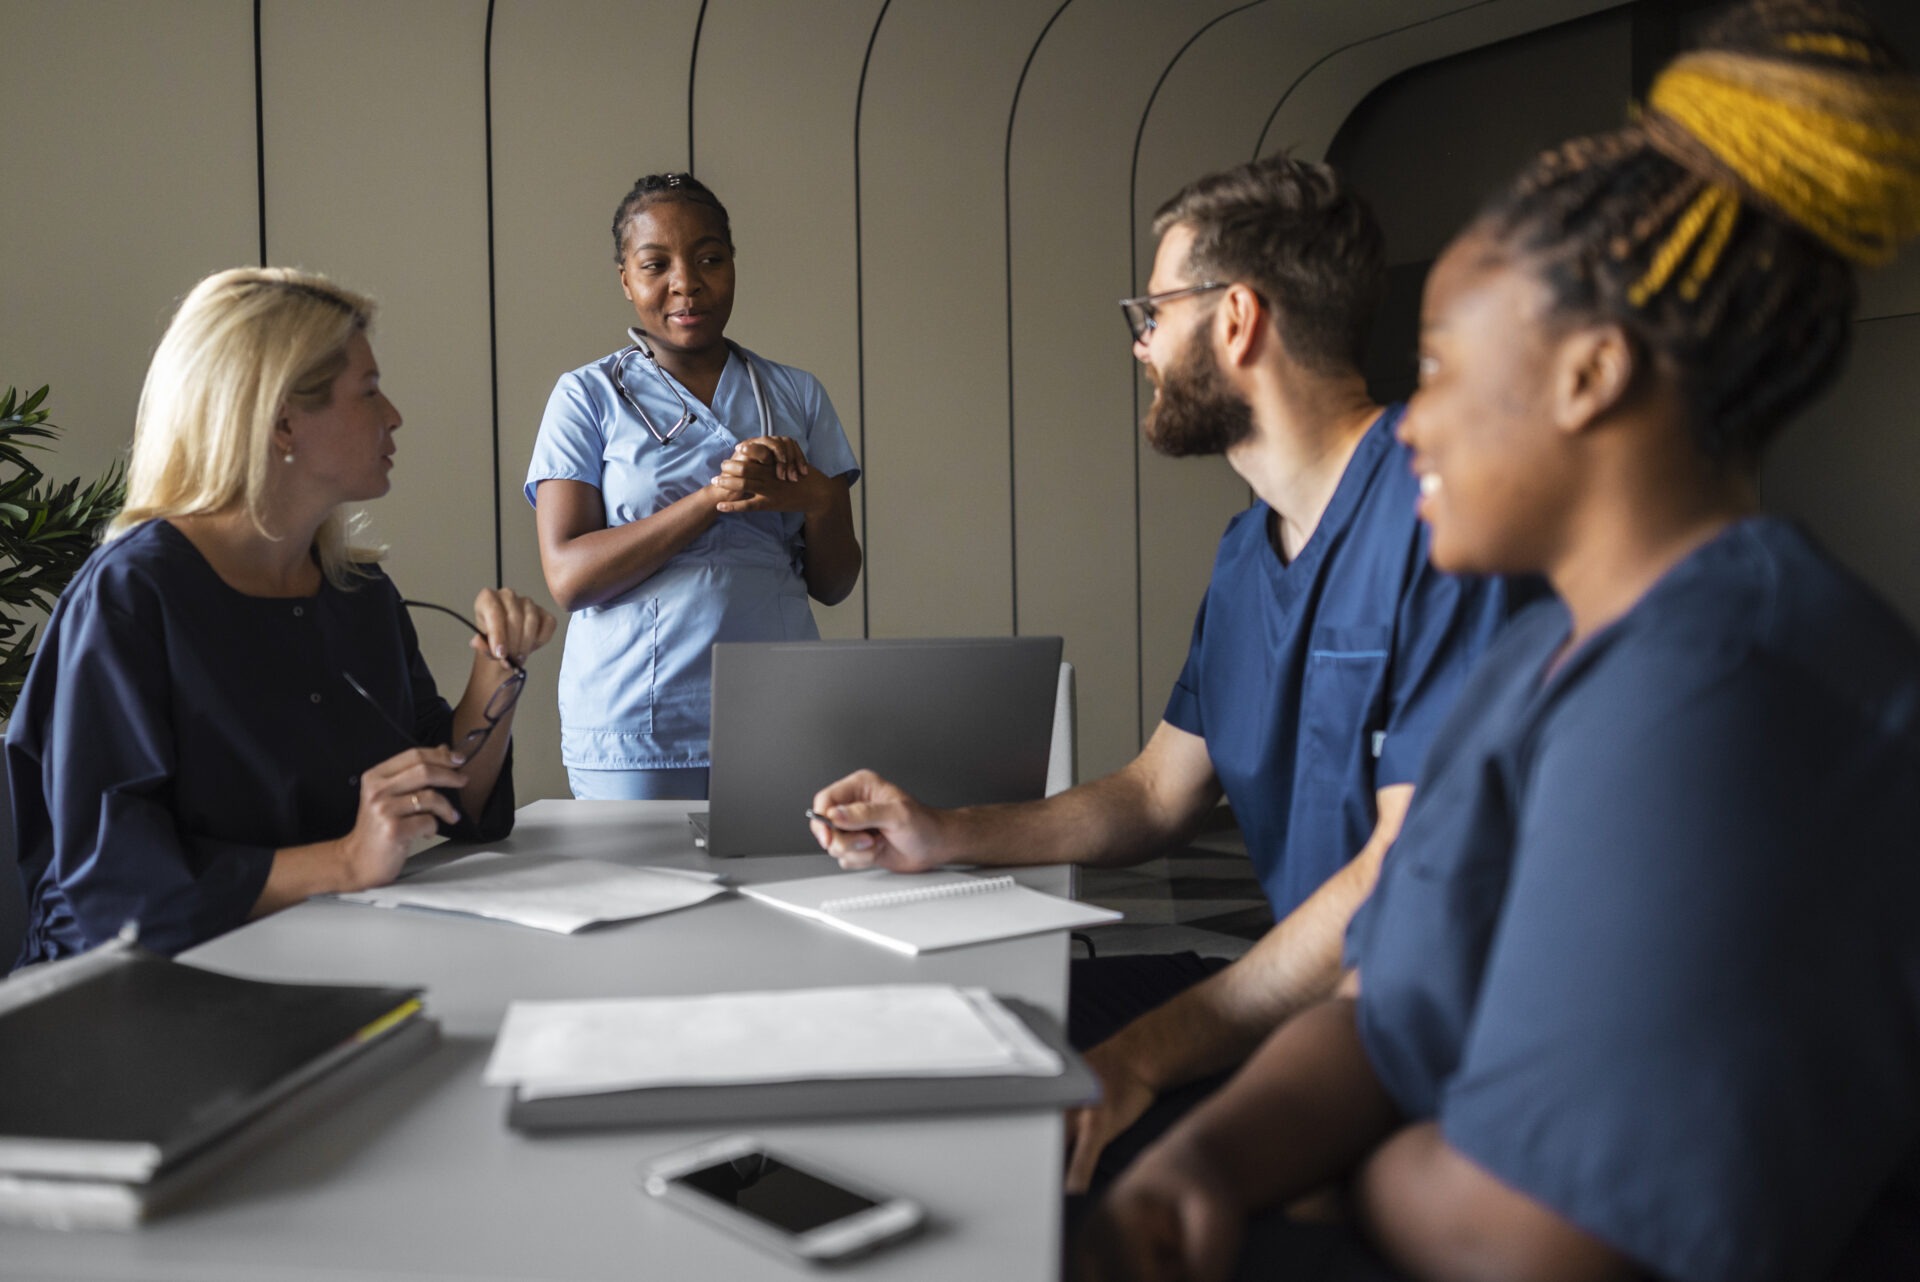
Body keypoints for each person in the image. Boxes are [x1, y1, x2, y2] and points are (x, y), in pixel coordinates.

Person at [1078, 2, 1920, 1278]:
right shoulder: (1540, 659)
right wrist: (1215, 1157)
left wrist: (1325, 1186)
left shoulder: (1734, 690)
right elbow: (1387, 1006)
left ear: (1589, 373)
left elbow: (1541, 1236)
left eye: (1447, 370)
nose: (1412, 426)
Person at [811, 156, 1520, 1190]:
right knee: (941, 1042)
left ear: (1236, 320)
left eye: (1153, 310)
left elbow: (1403, 877)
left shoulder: (1440, 518)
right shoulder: (1247, 554)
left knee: (1019, 1145)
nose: (1140, 343)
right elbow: (1156, 793)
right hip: (1293, 1001)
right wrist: (946, 831)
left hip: (1413, 1061)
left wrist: (1142, 1056)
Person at [7, 267, 555, 966]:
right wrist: (349, 860)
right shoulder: (131, 597)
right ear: (282, 422)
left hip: (324, 955)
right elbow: (113, 884)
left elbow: (452, 802)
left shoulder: (358, 591)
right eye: (368, 391)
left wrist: (496, 670)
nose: (393, 415)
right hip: (137, 993)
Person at [526, 172, 863, 801]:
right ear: (625, 279)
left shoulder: (796, 394)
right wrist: (713, 498)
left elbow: (835, 585)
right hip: (637, 723)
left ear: (734, 266)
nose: (687, 282)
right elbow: (569, 577)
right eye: (656, 264)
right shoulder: (586, 397)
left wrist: (821, 499)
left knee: (780, 894)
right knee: (642, 900)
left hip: (782, 715)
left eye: (710, 258)